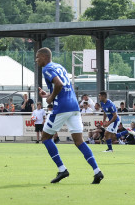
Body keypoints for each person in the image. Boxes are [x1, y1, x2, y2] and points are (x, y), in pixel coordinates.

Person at [36, 47, 103, 184]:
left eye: (38, 57)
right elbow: (64, 88)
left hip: (61, 107)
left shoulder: (46, 68)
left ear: (44, 57)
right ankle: (97, 171)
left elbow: (59, 84)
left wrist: (50, 98)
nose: (36, 60)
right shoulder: (59, 66)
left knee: (45, 138)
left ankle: (62, 169)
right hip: (74, 106)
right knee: (79, 141)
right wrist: (48, 94)